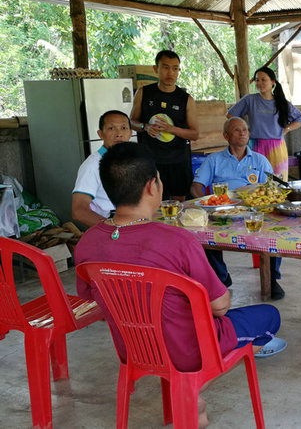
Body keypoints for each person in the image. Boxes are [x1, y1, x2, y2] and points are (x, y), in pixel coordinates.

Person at [74, 142, 285, 428]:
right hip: (189, 351)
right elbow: (220, 306)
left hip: (132, 349)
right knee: (270, 316)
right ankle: (191, 389)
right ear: (152, 186)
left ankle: (187, 392)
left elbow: (92, 301)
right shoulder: (177, 240)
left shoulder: (88, 242)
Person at [190, 117, 285, 299]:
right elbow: (196, 185)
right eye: (237, 130)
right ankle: (221, 278)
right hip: (222, 212)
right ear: (226, 135)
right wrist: (205, 203)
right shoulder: (214, 159)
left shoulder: (260, 160)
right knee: (201, 234)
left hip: (254, 212)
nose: (242, 133)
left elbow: (271, 189)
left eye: (245, 130)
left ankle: (272, 279)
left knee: (273, 233)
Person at [130, 49, 199, 201]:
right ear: (156, 69)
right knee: (151, 202)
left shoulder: (186, 99)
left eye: (175, 68)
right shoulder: (143, 93)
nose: (170, 73)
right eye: (165, 67)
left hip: (178, 161)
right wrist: (145, 127)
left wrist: (171, 129)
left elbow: (195, 134)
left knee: (178, 204)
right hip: (150, 160)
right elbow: (131, 122)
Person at [226, 66, 301, 181]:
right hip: (255, 146)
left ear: (273, 82)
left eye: (263, 79)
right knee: (254, 181)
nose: (259, 83)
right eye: (257, 80)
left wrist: (286, 129)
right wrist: (244, 129)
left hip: (277, 148)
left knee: (278, 182)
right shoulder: (250, 99)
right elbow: (230, 115)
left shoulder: (281, 103)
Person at [71, 110, 133, 226]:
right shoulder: (93, 165)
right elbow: (79, 211)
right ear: (100, 134)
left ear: (130, 133)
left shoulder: (132, 161)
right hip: (110, 225)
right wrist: (114, 229)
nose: (119, 134)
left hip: (131, 221)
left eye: (124, 128)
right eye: (111, 128)